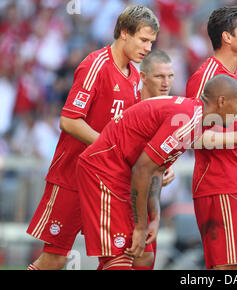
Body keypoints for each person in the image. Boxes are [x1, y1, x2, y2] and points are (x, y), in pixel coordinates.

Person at [76, 74, 237, 270]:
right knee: (119, 257)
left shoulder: (195, 118)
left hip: (122, 174)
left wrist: (154, 216)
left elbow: (155, 169)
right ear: (221, 101)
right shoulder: (188, 120)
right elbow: (143, 169)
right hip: (103, 172)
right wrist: (140, 225)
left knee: (143, 257)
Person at [26, 5, 160, 270]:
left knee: (122, 256)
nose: (148, 48)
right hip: (72, 176)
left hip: (107, 182)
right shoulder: (95, 65)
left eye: (151, 42)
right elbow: (68, 120)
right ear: (124, 32)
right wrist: (110, 147)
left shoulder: (134, 77)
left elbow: (128, 133)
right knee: (55, 258)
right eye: (143, 40)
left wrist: (154, 162)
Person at [185, 6, 237, 270]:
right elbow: (192, 135)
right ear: (227, 37)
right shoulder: (206, 78)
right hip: (218, 185)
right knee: (233, 269)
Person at [133, 49, 176, 269]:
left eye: (170, 76)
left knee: (143, 261)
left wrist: (155, 216)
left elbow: (154, 172)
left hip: (146, 204)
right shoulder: (130, 106)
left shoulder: (167, 111)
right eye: (159, 76)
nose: (165, 82)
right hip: (121, 197)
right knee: (138, 259)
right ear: (143, 77)